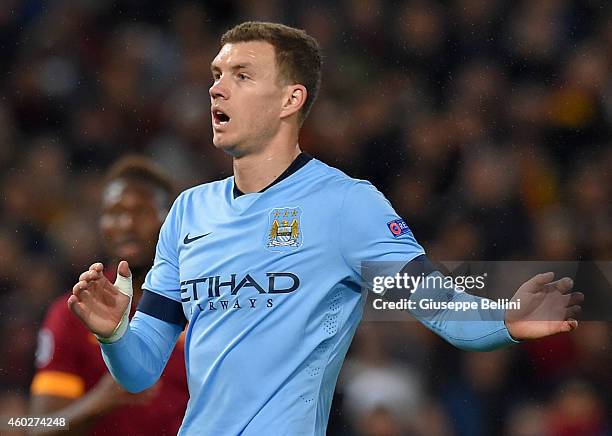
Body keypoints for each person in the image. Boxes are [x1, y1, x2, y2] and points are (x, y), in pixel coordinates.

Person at [68, 22, 584, 435]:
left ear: (291, 100)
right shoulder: (188, 212)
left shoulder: (345, 205)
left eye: (241, 75)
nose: (216, 87)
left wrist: (503, 322)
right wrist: (115, 334)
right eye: (217, 73)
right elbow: (140, 371)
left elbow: (434, 300)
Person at [31, 157, 188, 435]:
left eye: (142, 211)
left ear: (171, 221)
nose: (127, 223)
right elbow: (37, 426)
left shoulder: (197, 304)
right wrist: (99, 401)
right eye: (114, 212)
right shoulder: (75, 311)